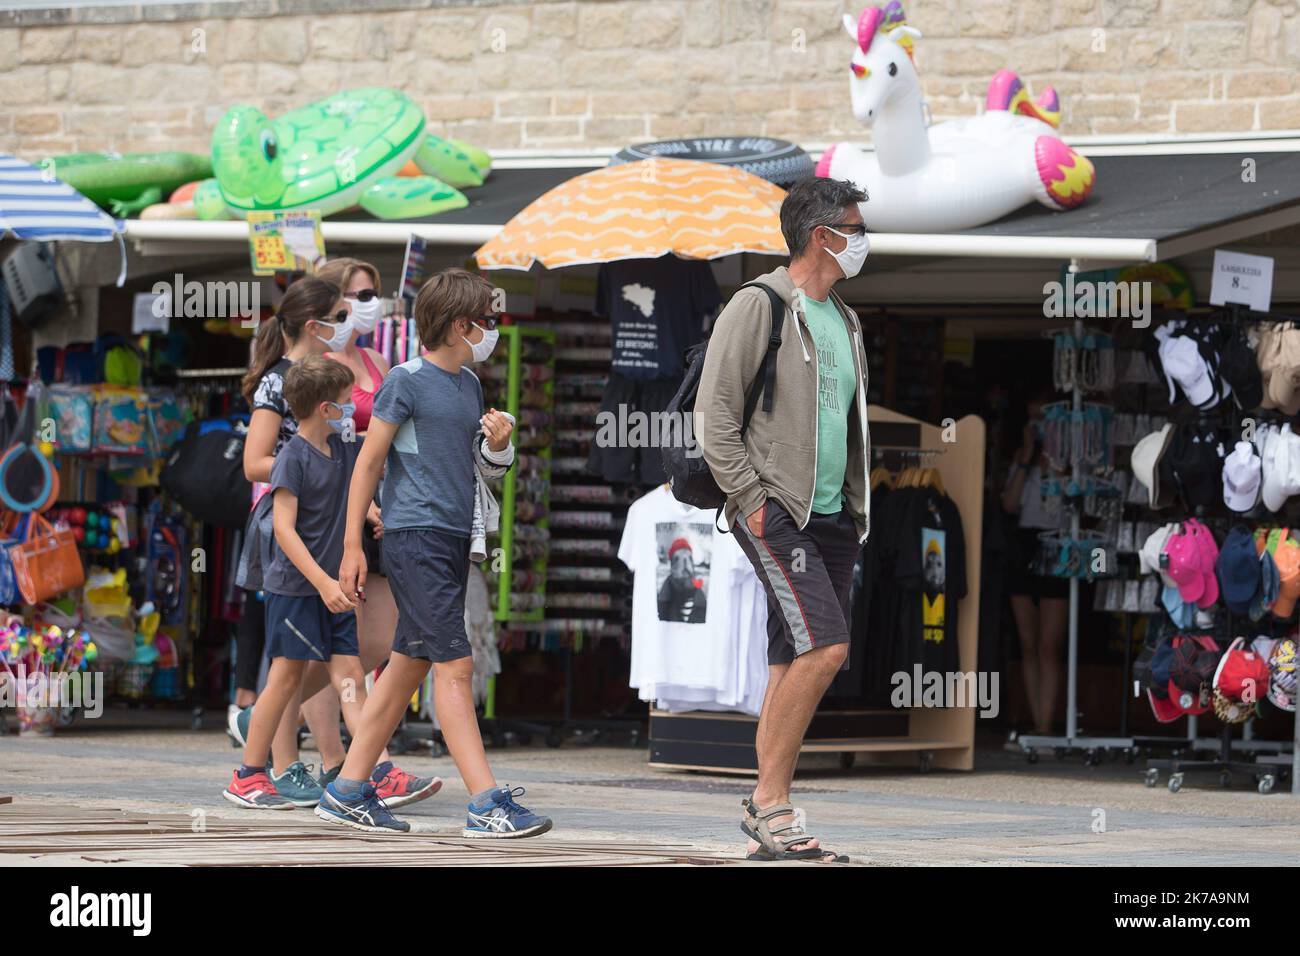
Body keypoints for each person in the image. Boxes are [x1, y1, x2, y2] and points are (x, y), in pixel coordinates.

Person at [319, 268, 552, 837]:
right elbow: (367, 464)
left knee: (406, 667)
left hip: (452, 538)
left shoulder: (470, 386)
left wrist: (498, 446)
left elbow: (475, 470)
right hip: (415, 538)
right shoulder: (406, 380)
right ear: (457, 325)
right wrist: (352, 544)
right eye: (484, 322)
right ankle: (485, 802)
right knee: (455, 666)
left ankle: (347, 789)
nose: (491, 331)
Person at [696, 177, 870, 863]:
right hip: (779, 508)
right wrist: (753, 500)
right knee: (827, 648)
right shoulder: (760, 303)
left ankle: (769, 812)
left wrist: (856, 504)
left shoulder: (846, 320)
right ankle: (771, 803)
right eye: (855, 228)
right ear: (822, 235)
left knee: (790, 657)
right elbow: (713, 418)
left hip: (833, 515)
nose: (864, 240)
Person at [232, 276, 423, 808]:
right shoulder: (287, 397)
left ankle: (363, 772)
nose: (352, 321)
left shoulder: (335, 404)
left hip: (335, 545)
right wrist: (310, 466)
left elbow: (348, 469)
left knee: (346, 663)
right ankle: (259, 765)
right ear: (314, 323)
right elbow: (257, 465)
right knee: (290, 670)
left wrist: (364, 505)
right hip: (301, 555)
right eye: (340, 313)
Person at [285, 257, 432, 805]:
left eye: (371, 295)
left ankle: (268, 714)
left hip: (383, 509)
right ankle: (346, 763)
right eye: (352, 300)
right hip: (333, 511)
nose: (364, 307)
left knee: (375, 640)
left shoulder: (374, 358)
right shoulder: (314, 365)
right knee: (341, 642)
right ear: (328, 308)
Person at [223, 358, 370, 808]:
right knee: (285, 680)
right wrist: (324, 583)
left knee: (349, 675)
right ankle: (248, 774)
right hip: (298, 588)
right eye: (347, 402)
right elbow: (284, 531)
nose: (353, 409)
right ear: (326, 408)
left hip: (333, 589)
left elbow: (357, 484)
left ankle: (362, 773)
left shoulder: (342, 450)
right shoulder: (292, 457)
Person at [1001, 392, 1069, 737]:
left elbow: (1070, 507)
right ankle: (1033, 719)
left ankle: (1046, 722)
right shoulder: (1021, 459)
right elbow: (1010, 504)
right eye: (1032, 419)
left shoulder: (1067, 460)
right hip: (1023, 544)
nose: (1038, 426)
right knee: (1028, 643)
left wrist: (1054, 458)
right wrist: (1027, 457)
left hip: (1056, 543)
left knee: (1049, 645)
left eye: (1043, 418)